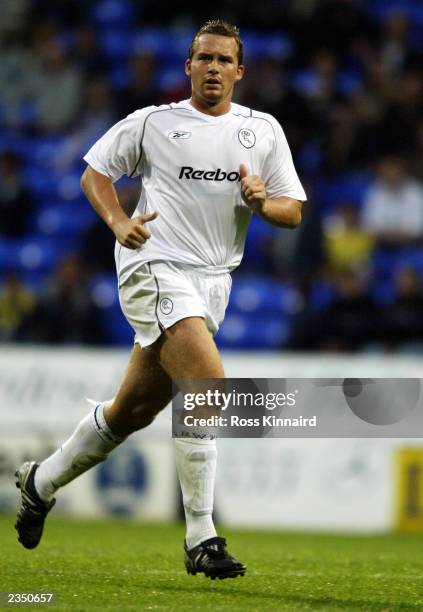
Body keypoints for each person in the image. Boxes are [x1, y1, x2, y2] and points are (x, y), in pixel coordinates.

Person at [15, 19, 306, 580]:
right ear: (188, 67)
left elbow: (292, 212)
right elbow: (95, 173)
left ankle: (39, 483)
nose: (214, 68)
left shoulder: (263, 130)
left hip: (213, 281)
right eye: (204, 59)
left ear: (240, 71)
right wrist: (119, 219)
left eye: (224, 60)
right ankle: (202, 535)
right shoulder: (153, 123)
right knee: (207, 384)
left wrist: (262, 201)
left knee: (132, 412)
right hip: (154, 265)